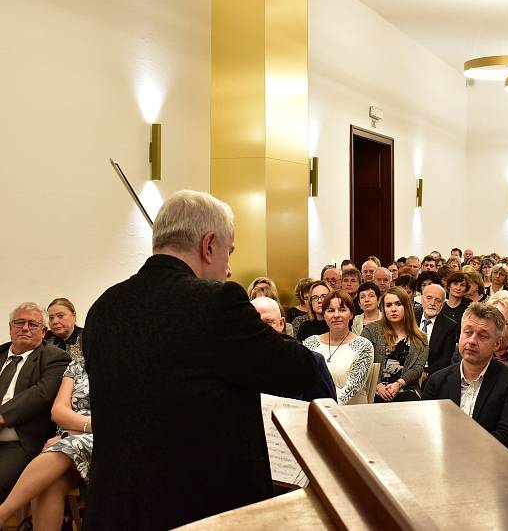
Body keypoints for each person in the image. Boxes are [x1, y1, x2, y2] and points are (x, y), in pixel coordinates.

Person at [81, 190, 318, 530]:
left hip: (114, 508)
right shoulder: (215, 302)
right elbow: (300, 371)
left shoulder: (104, 306)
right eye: (228, 251)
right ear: (208, 245)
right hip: (199, 511)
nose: (229, 267)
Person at [0, 339, 90, 530]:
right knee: (50, 484)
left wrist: (76, 431)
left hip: (103, 438)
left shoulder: (125, 368)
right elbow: (58, 411)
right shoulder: (77, 364)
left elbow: (120, 418)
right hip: (69, 437)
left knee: (60, 448)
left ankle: (2, 513)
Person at [422, 303, 508, 456]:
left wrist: (459, 451)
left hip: (491, 465)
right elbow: (424, 429)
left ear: (497, 344)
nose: (472, 341)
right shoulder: (437, 381)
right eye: (468, 332)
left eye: (483, 336)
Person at [0, 303, 70, 503]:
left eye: (32, 324)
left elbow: (42, 393)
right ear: (10, 327)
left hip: (19, 442)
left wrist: (2, 417)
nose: (25, 328)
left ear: (44, 331)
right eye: (19, 323)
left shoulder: (56, 358)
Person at [251, 297, 335, 402]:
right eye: (255, 322)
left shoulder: (312, 362)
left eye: (268, 322)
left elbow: (327, 412)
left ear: (281, 324)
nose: (261, 328)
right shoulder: (234, 365)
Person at [303, 291, 374, 405]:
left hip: (351, 414)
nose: (336, 315)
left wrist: (322, 411)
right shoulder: (310, 343)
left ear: (351, 314)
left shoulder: (363, 346)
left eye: (342, 310)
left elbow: (351, 389)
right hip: (316, 411)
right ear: (324, 314)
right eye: (330, 310)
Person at [361, 287, 428, 402]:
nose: (393, 309)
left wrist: (398, 384)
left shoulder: (420, 337)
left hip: (406, 390)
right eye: (388, 305)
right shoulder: (371, 330)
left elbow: (418, 368)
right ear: (383, 308)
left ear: (406, 307)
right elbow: (363, 362)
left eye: (398, 304)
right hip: (374, 389)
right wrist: (378, 385)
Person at [417, 284, 459, 377]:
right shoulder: (410, 317)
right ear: (422, 299)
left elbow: (445, 359)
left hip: (431, 374)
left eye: (438, 300)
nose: (432, 303)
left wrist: (427, 373)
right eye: (429, 298)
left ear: (442, 304)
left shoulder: (449, 326)